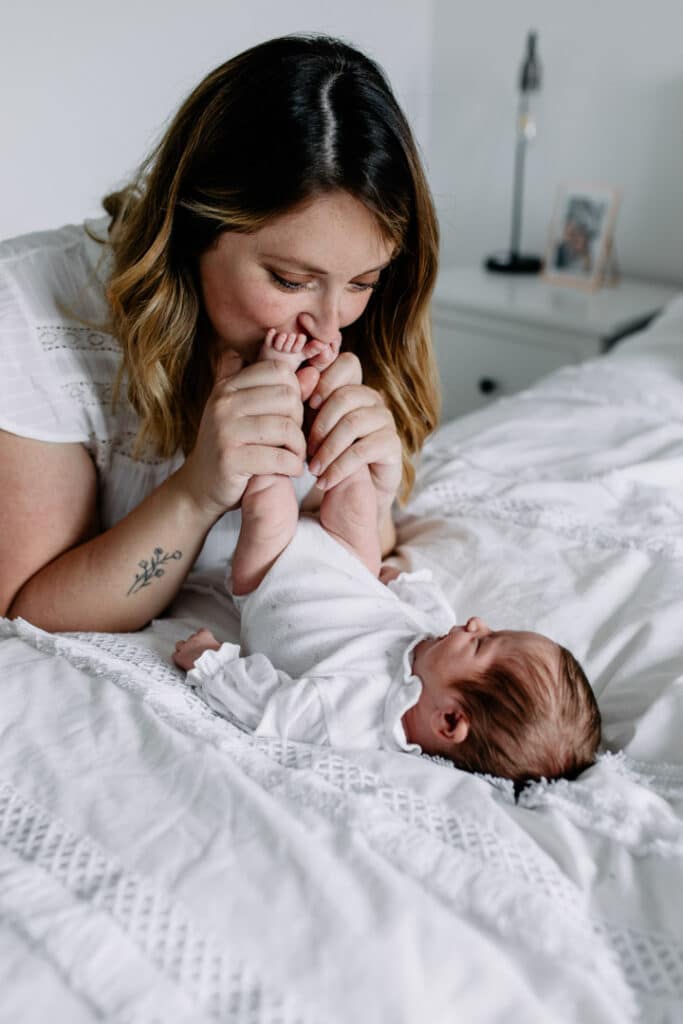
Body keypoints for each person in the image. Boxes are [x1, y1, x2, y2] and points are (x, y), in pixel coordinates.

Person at [0, 34, 440, 633]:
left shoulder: (361, 322)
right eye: (289, 280)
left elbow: (356, 555)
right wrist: (198, 491)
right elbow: (26, 611)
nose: (331, 322)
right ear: (191, 227)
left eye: (363, 281)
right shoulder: (31, 312)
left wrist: (366, 491)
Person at [173, 330, 601, 787]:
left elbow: (271, 708)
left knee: (269, 494)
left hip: (274, 575)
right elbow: (424, 601)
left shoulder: (356, 716)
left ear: (450, 721)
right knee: (354, 488)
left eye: (481, 644)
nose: (476, 623)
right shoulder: (432, 645)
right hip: (352, 566)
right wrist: (397, 582)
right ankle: (328, 392)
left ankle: (272, 381)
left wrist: (211, 662)